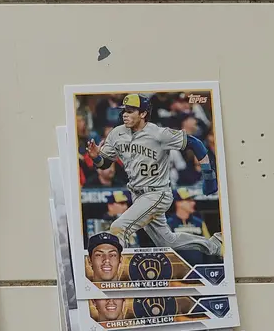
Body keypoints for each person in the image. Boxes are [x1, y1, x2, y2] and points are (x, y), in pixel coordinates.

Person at [86, 94, 222, 257]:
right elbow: (105, 163)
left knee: (119, 227)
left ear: (143, 113)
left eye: (130, 111)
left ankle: (119, 269)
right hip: (137, 195)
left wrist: (208, 175)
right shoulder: (117, 133)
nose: (125, 115)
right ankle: (214, 245)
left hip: (157, 193)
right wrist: (96, 158)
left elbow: (195, 143)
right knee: (167, 242)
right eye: (124, 111)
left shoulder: (158, 133)